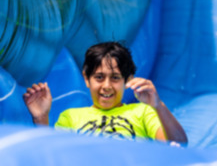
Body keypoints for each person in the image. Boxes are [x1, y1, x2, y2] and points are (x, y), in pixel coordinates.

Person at [23, 42, 188, 145]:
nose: (106, 86)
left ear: (128, 80)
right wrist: (41, 118)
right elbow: (54, 157)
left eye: (115, 78)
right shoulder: (71, 117)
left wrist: (158, 105)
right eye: (99, 77)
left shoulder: (142, 112)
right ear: (86, 79)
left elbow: (178, 145)